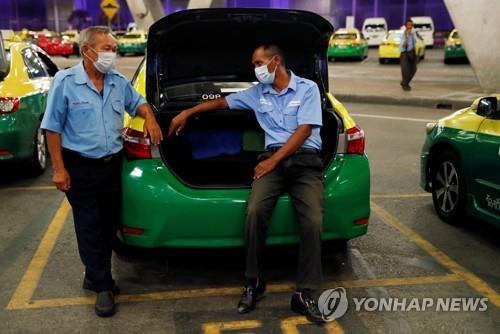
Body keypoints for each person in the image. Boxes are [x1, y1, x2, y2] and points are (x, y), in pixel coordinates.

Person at [168, 44, 325, 323]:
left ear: (276, 61)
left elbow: (304, 131)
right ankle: (253, 282)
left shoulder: (308, 88)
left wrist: (272, 161)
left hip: (304, 163)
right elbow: (220, 103)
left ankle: (305, 292)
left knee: (312, 220)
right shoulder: (257, 93)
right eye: (254, 64)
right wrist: (187, 113)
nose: (256, 69)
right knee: (254, 212)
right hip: (272, 163)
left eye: (259, 62)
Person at [41, 26, 162, 317]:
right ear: (87, 51)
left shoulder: (118, 82)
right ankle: (103, 286)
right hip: (80, 166)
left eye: (114, 49)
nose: (113, 54)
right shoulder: (65, 82)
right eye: (107, 48)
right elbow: (52, 128)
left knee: (109, 226)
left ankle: (93, 273)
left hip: (112, 166)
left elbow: (139, 103)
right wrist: (59, 169)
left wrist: (150, 118)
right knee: (89, 227)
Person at [400, 19, 418, 91]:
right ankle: (405, 84)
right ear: (406, 26)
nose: (410, 26)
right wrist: (407, 38)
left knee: (414, 69)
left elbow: (416, 42)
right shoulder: (404, 34)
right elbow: (403, 45)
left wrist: (413, 35)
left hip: (412, 53)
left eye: (411, 25)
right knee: (406, 70)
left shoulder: (413, 33)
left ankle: (405, 82)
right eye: (408, 25)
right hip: (405, 54)